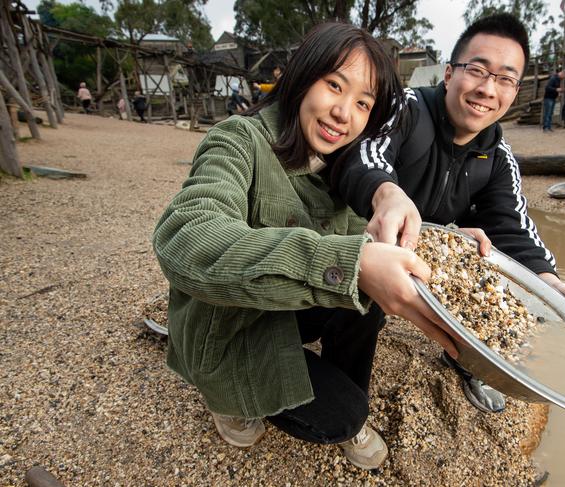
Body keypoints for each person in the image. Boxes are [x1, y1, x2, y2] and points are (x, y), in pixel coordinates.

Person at [153, 22, 455, 471]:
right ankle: (228, 398)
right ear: (301, 76)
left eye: (362, 103)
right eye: (334, 85)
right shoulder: (237, 141)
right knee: (339, 416)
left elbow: (378, 243)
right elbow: (187, 239)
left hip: (288, 302)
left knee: (368, 290)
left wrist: (452, 241)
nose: (343, 113)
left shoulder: (348, 167)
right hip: (227, 323)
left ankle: (349, 392)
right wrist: (349, 265)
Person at [336, 14, 565, 414]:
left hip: (434, 246)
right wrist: (387, 194)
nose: (487, 89)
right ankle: (346, 394)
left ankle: (468, 361)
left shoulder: (498, 157)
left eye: (505, 79)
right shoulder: (407, 108)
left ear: (514, 90)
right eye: (477, 70)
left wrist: (550, 286)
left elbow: (514, 227)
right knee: (364, 274)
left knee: (486, 263)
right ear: (448, 73)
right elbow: (365, 154)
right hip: (374, 231)